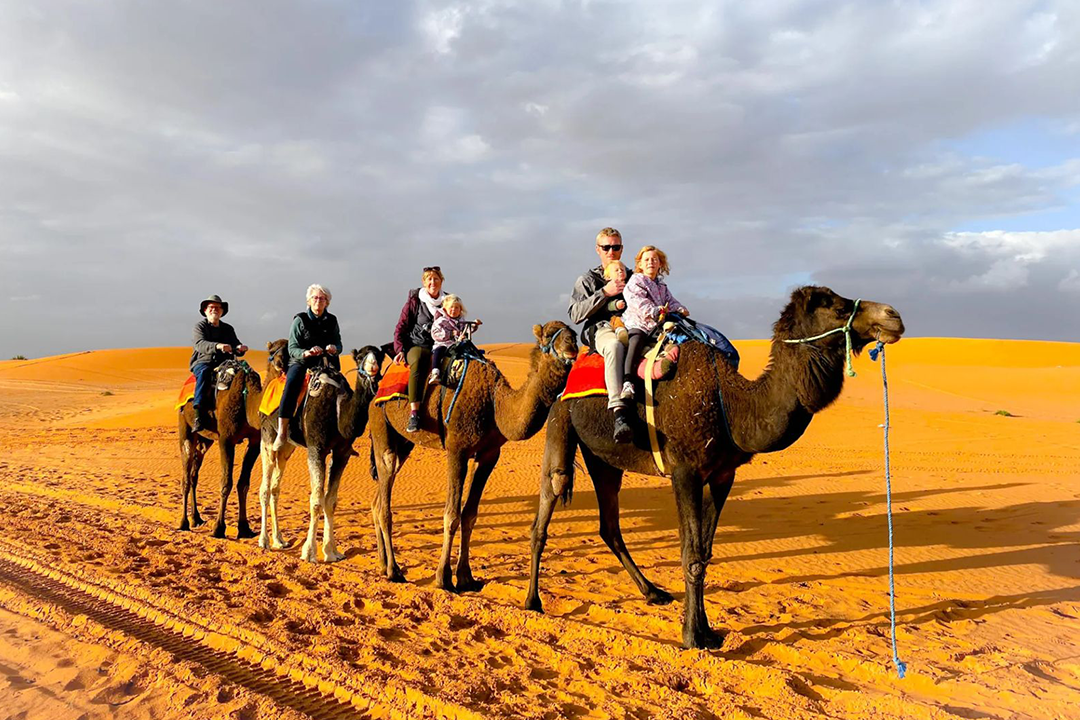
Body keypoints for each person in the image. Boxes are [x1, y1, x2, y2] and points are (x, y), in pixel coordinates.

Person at [568, 227, 635, 443]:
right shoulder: (587, 280)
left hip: (634, 325)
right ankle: (619, 412)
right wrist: (605, 292)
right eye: (606, 247)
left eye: (615, 247)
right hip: (601, 329)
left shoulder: (633, 276)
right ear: (598, 249)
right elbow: (575, 314)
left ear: (621, 249)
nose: (611, 251)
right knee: (615, 346)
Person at [272, 284, 342, 452]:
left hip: (324, 362)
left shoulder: (332, 320)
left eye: (322, 298)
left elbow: (338, 342)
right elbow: (292, 348)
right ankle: (282, 432)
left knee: (342, 386)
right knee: (292, 384)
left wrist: (334, 348)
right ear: (309, 301)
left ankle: (343, 431)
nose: (318, 301)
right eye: (315, 298)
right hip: (302, 362)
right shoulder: (300, 320)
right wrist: (306, 352)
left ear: (327, 303)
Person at [621, 245, 689, 401]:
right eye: (646, 259)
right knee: (636, 341)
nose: (650, 262)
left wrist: (680, 309)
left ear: (660, 263)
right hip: (638, 324)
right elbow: (637, 301)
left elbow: (670, 302)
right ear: (640, 264)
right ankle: (628, 382)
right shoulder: (636, 281)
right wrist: (655, 311)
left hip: (657, 327)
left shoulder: (662, 286)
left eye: (654, 259)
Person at [392, 266, 448, 433]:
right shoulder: (415, 301)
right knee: (418, 362)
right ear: (424, 282)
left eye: (436, 279)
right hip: (418, 345)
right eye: (429, 279)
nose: (433, 282)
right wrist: (400, 349)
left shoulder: (448, 301)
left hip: (443, 345)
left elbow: (457, 319)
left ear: (441, 281)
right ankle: (415, 412)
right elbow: (400, 327)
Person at [190, 294, 248, 432]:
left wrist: (240, 349)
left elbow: (235, 344)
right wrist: (217, 346)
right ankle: (198, 415)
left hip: (226, 363)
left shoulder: (228, 328)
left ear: (222, 311)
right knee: (204, 374)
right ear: (205, 310)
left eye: (217, 307)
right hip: (204, 361)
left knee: (245, 375)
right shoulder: (200, 327)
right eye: (211, 307)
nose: (214, 310)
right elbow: (199, 344)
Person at [428, 294, 482, 385]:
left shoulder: (461, 321)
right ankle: (435, 373)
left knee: (474, 352)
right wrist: (451, 334)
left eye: (457, 307)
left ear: (460, 309)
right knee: (438, 351)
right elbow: (435, 334)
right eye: (451, 307)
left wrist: (474, 325)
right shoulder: (441, 321)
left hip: (457, 344)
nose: (454, 310)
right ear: (445, 309)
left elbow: (467, 330)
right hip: (444, 344)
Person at [602, 260, 630, 345]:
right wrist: (615, 305)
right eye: (616, 270)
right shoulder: (609, 288)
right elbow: (606, 305)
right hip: (617, 315)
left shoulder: (630, 284)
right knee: (618, 320)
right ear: (608, 276)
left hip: (630, 315)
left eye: (622, 269)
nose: (620, 271)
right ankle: (621, 332)